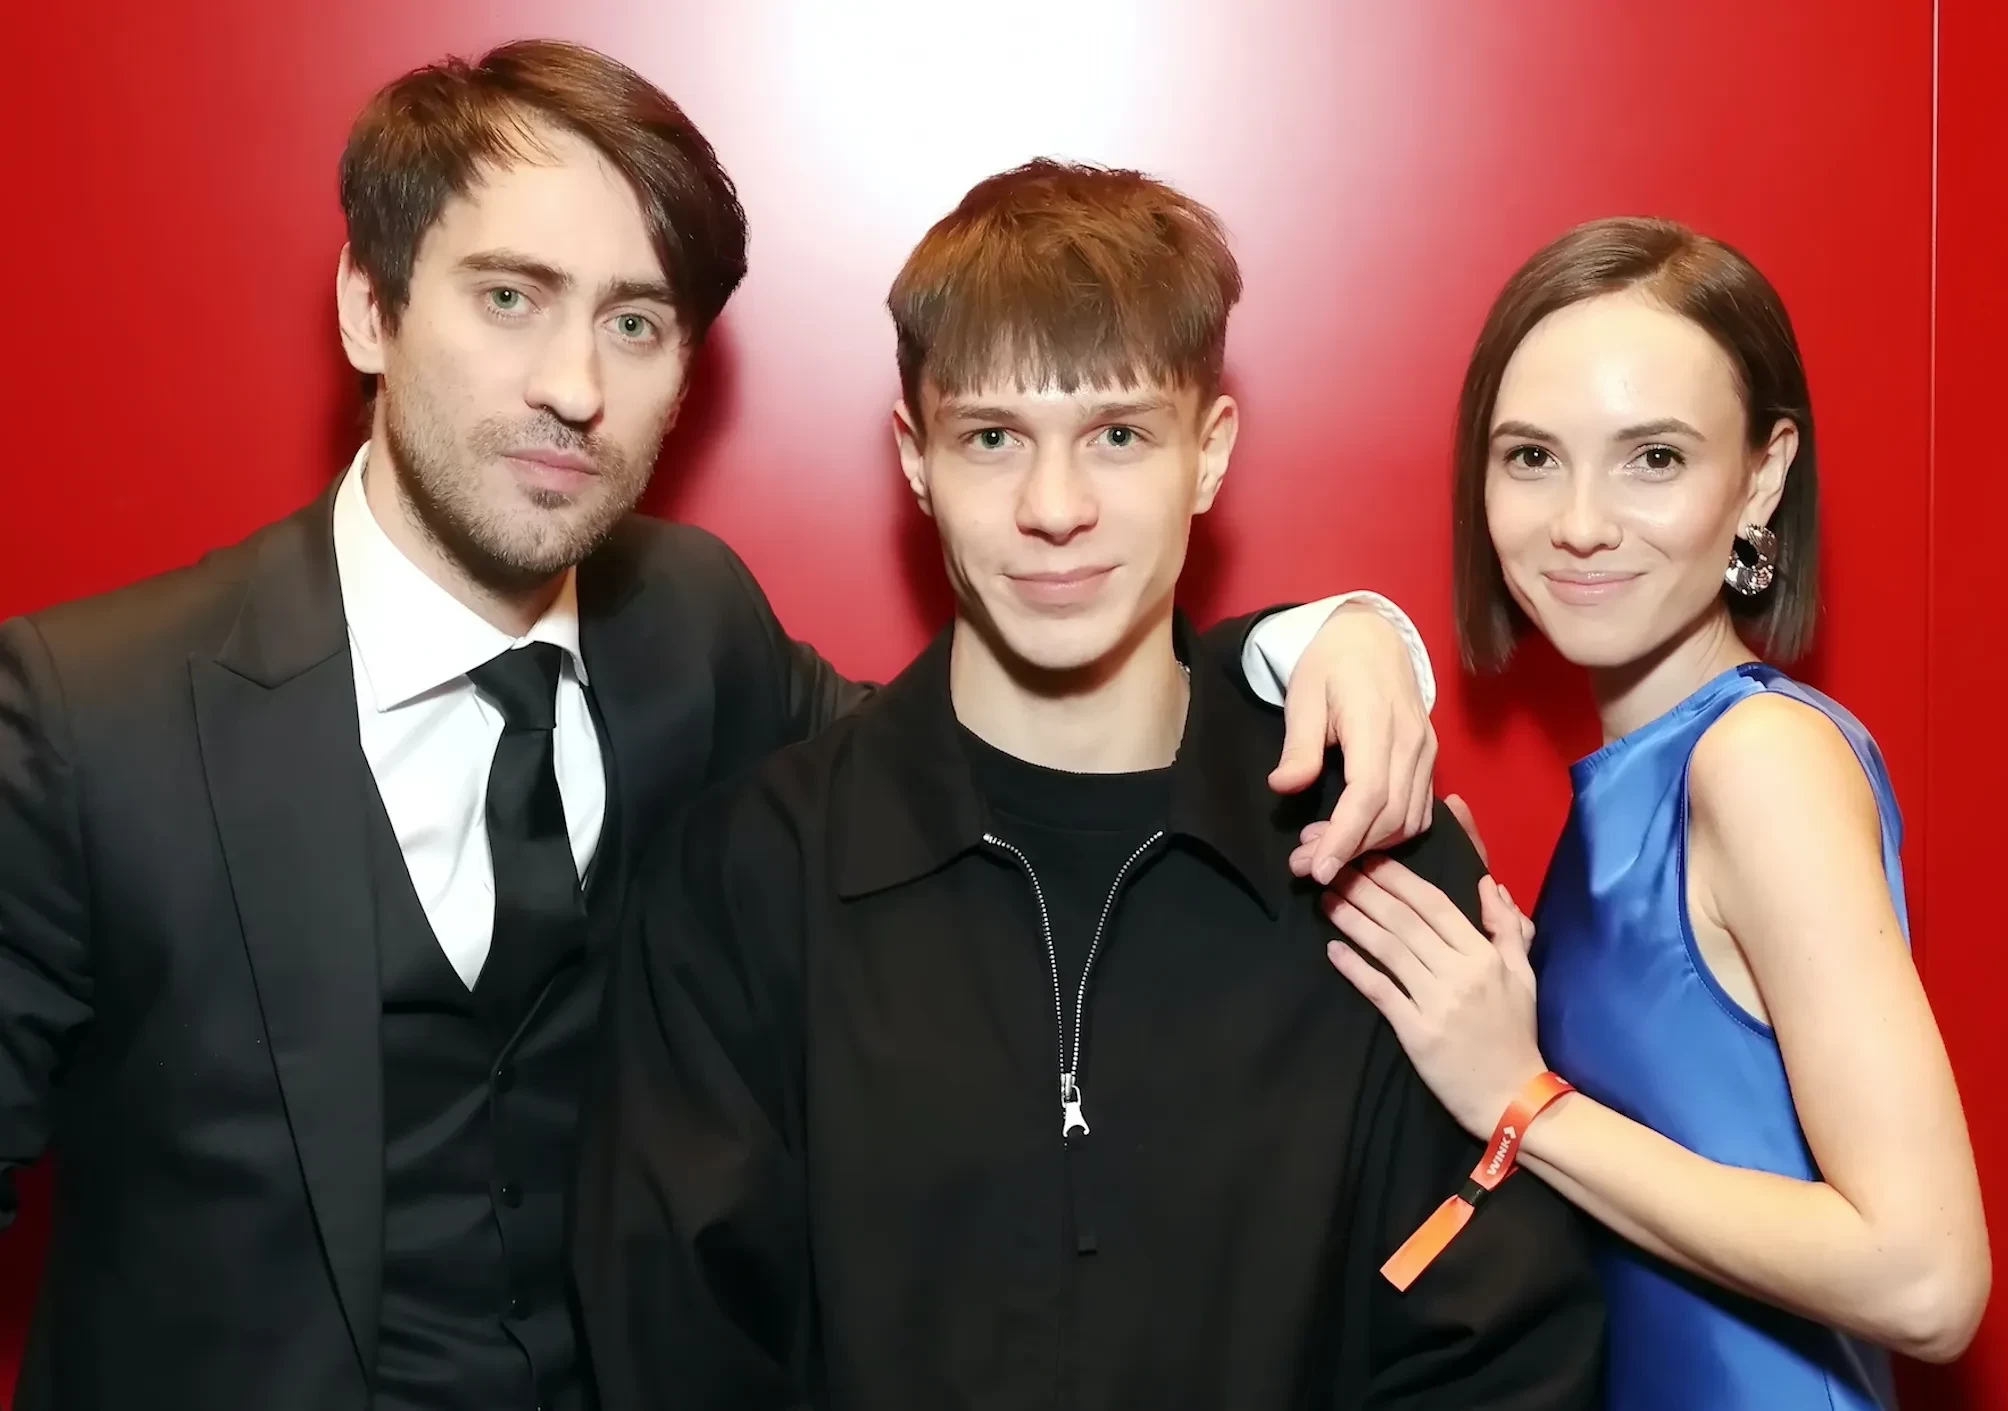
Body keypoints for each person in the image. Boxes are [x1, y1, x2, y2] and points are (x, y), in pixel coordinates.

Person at [0, 40, 1442, 1411]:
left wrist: (1317, 642)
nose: (574, 386)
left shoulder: (689, 631)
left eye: (634, 323)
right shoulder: (88, 719)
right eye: (510, 297)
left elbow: (1009, 741)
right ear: (368, 307)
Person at [574, 158, 1605, 1411]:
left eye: (1118, 436)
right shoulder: (744, 882)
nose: (1054, 507)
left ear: (1208, 455)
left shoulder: (1380, 861)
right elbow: (679, 1349)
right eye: (992, 438)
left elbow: (1495, 1350)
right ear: (915, 459)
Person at [1317, 217, 1991, 1410]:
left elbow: (1926, 1278)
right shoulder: (1639, 782)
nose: (1580, 521)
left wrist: (1523, 1098)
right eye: (1533, 457)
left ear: (1763, 475)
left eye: (1655, 458)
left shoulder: (1760, 760)